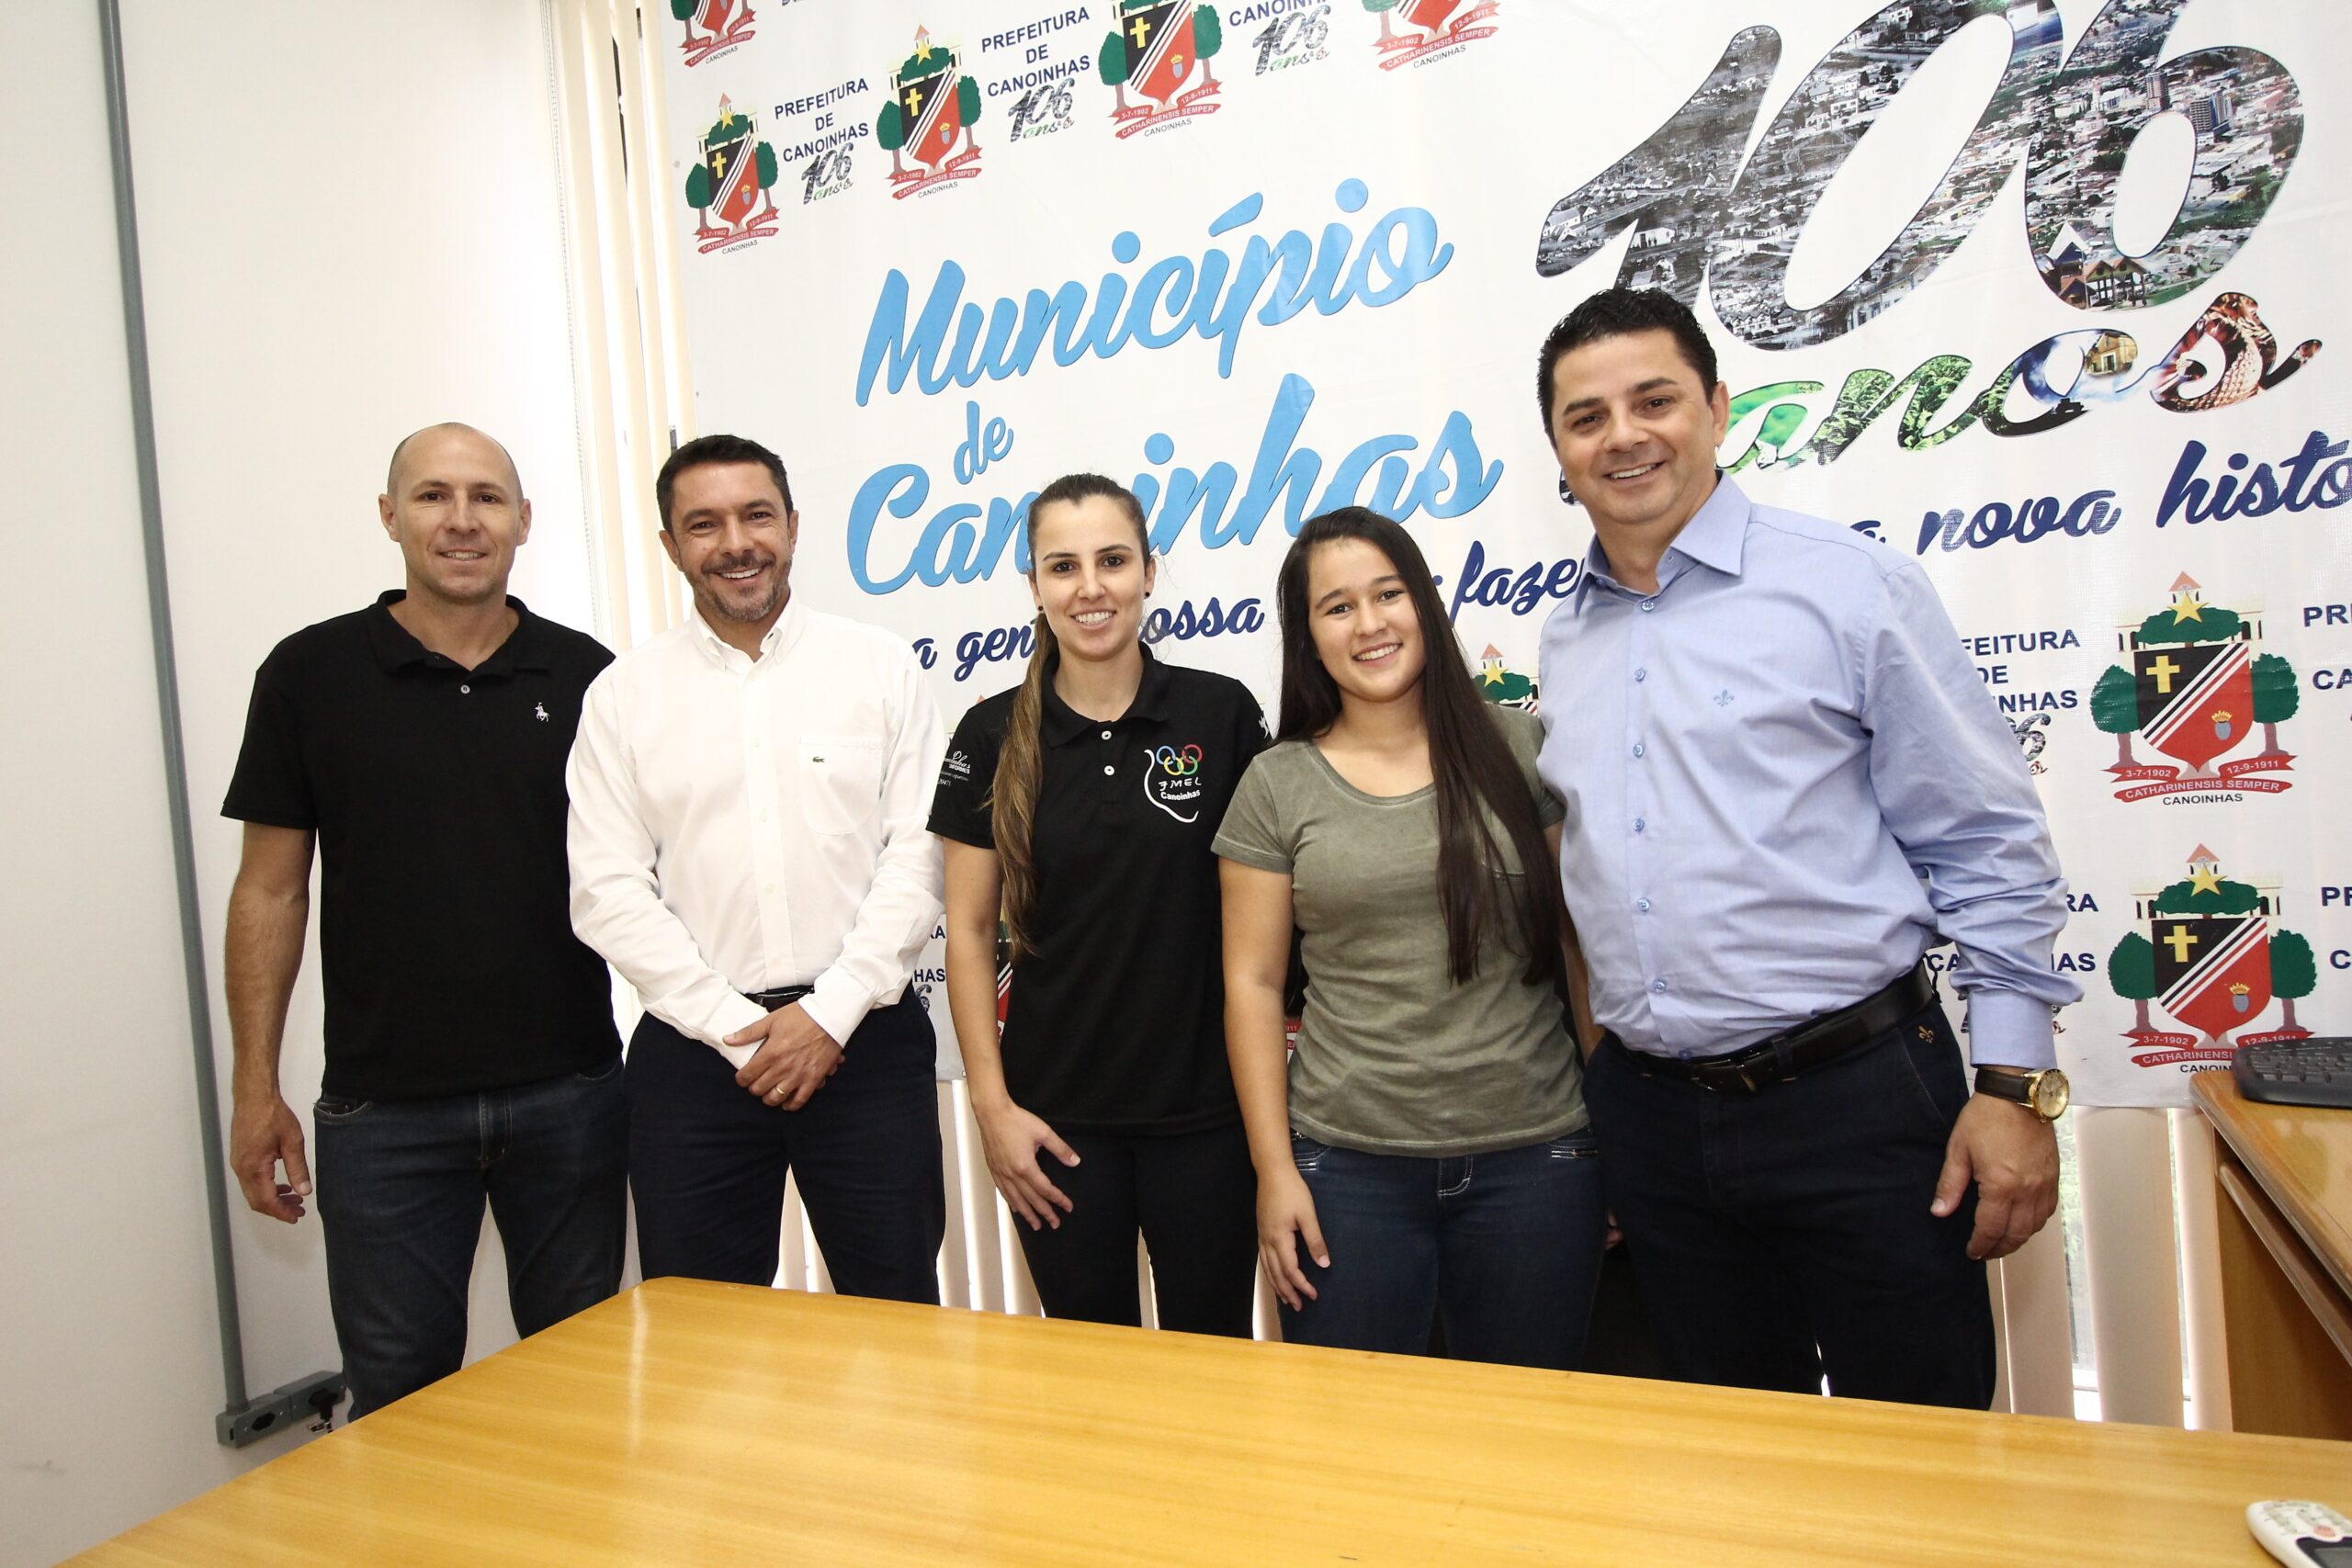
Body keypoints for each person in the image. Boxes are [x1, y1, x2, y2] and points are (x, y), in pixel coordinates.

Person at [1532, 287, 2078, 1408]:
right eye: (1586, 417)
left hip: (1857, 1105)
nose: (1623, 435)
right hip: (1655, 1122)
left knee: (1921, 1467)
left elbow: (1987, 840)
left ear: (1719, 410)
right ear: (1558, 447)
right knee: (1730, 1475)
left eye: (1654, 400)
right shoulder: (1566, 634)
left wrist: (2015, 1087)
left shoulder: (1847, 585)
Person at [222, 423, 625, 1419]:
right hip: (386, 1115)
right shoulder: (308, 675)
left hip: (568, 1095)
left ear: (524, 522)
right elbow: (269, 890)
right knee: (402, 1408)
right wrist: (254, 1088)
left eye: (486, 497)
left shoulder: (589, 677)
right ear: (389, 515)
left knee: (585, 1392)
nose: (461, 519)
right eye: (435, 495)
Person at [1216, 508, 1606, 1369]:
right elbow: (1250, 983)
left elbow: (1581, 945)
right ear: (1306, 635)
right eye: (1338, 606)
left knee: (1529, 1448)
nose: (1371, 623)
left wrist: (1615, 1125)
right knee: (1354, 1459)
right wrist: (1275, 1171)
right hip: (1346, 1173)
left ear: (1425, 603)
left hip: (1538, 1158)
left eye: (1389, 593)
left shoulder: (1521, 747)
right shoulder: (1277, 783)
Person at [566, 433, 947, 1299]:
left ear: (793, 526)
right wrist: (733, 1025)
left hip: (864, 1045)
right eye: (703, 523)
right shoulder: (623, 696)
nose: (736, 542)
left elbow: (919, 857)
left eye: (756, 515)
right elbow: (607, 891)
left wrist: (831, 1011)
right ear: (671, 546)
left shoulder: (878, 667)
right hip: (694, 1059)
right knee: (705, 1347)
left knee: (896, 1325)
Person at [929, 474, 1266, 1335]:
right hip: (1056, 1131)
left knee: (1215, 1371)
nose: (1090, 587)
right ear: (1034, 587)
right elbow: (966, 933)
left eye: (1112, 560)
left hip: (1209, 1121)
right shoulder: (991, 734)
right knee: (1086, 1390)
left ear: (1150, 571)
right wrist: (993, 1110)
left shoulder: (1218, 712)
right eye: (1063, 566)